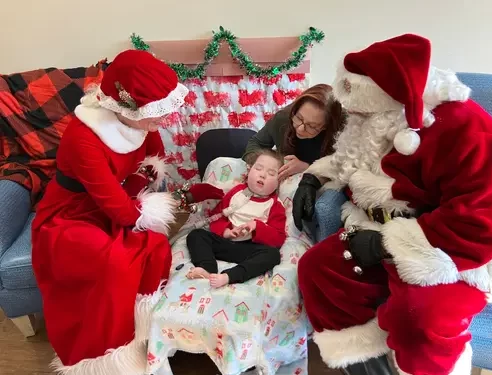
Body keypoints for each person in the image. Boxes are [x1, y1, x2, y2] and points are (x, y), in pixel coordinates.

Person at [292, 34, 492, 375]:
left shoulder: (463, 128)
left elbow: (479, 224)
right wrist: (313, 177)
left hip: (452, 252)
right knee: (316, 270)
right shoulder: (375, 115)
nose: (347, 108)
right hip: (378, 227)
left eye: (353, 97)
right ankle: (367, 364)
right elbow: (353, 157)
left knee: (420, 316)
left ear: (388, 95)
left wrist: (383, 245)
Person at [31, 50, 190, 375]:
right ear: (124, 107)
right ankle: (105, 356)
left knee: (156, 247)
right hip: (70, 214)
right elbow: (120, 210)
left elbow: (152, 159)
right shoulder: (83, 137)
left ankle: (144, 331)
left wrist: (133, 185)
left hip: (118, 201)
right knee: (113, 261)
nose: (164, 119)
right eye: (157, 112)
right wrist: (133, 196)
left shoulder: (143, 123)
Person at [186, 150, 286, 288]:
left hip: (248, 249)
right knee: (196, 235)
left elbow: (279, 238)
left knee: (272, 255)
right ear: (249, 171)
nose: (262, 175)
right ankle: (207, 269)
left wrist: (256, 226)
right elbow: (217, 216)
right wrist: (226, 231)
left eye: (271, 174)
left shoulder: (275, 205)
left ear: (278, 182)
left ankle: (229, 276)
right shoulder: (236, 192)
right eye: (258, 169)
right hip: (225, 242)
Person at [242, 84, 346, 182]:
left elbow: (347, 168)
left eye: (312, 126)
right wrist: (269, 164)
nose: (300, 129)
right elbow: (255, 143)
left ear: (326, 126)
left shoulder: (345, 128)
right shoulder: (282, 118)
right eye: (299, 118)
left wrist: (309, 168)